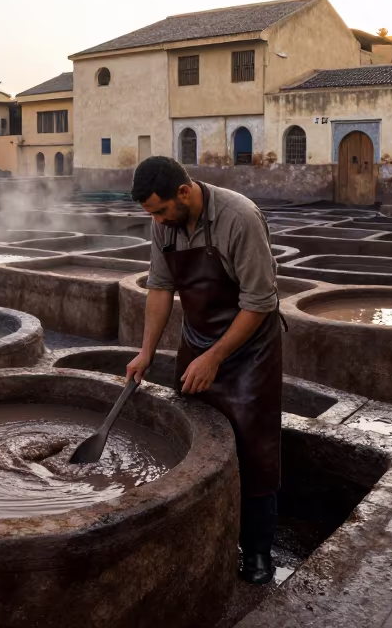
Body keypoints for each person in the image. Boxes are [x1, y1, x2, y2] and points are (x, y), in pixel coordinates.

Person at [124, 156, 282, 585]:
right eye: (150, 214)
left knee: (255, 448)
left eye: (160, 211)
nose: (156, 221)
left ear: (184, 192)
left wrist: (216, 357)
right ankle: (206, 530)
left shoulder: (239, 217)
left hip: (249, 348)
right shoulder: (164, 225)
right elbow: (160, 288)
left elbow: (260, 302)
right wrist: (146, 352)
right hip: (197, 340)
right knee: (192, 432)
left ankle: (257, 551)